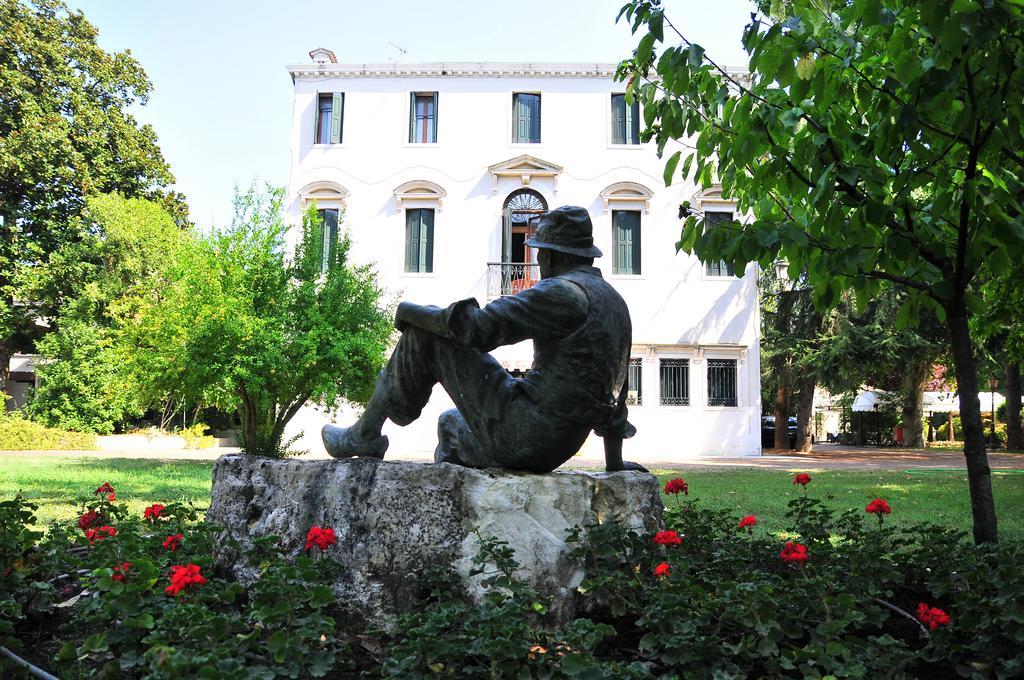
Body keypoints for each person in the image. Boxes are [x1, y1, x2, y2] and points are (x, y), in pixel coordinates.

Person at [322, 205, 646, 473]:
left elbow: (476, 329)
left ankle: (365, 434)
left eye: (539, 255)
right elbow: (613, 394)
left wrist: (410, 312)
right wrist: (615, 463)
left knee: (427, 334)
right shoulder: (613, 302)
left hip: (527, 434)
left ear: (550, 256)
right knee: (451, 426)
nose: (538, 263)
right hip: (557, 445)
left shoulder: (562, 293)